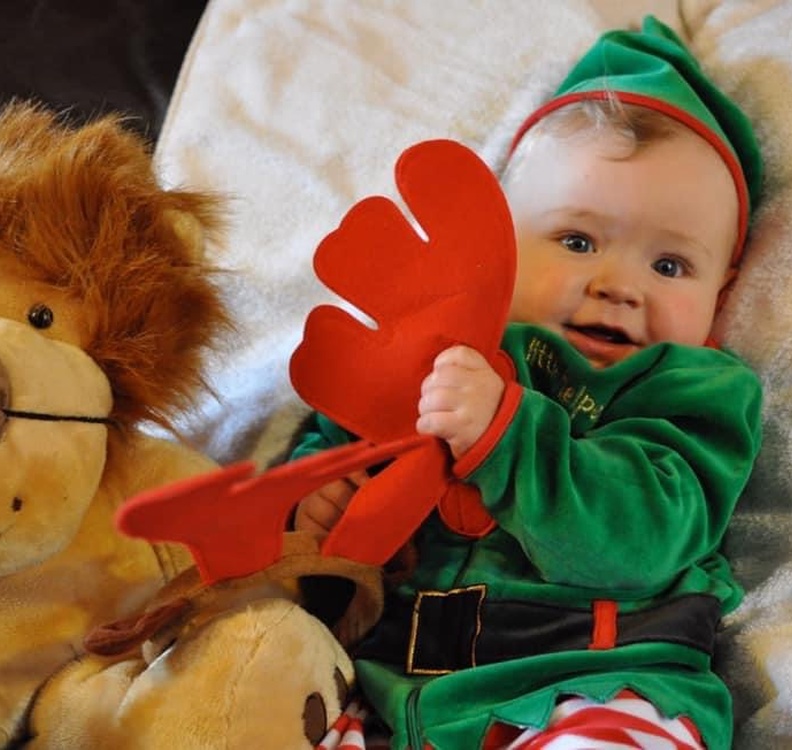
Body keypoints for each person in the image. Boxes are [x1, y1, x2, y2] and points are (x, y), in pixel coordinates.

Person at [290, 16, 764, 750]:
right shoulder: (432, 347)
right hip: (381, 688)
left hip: (600, 683)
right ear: (498, 243)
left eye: (669, 266)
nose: (618, 287)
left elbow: (642, 537)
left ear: (721, 294)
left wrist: (507, 435)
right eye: (577, 241)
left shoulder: (695, 389)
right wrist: (314, 515)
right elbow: (334, 443)